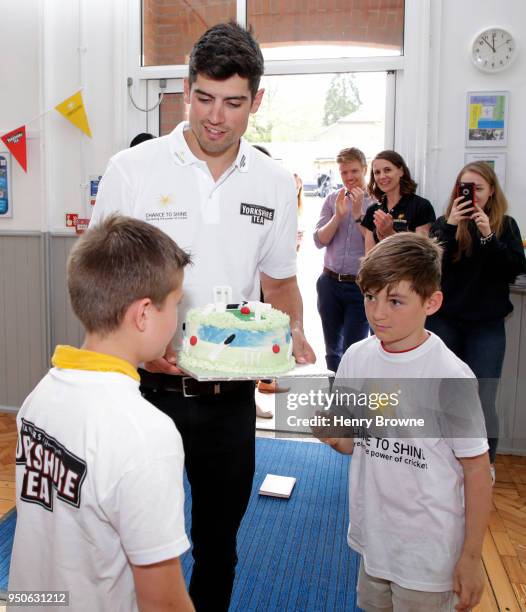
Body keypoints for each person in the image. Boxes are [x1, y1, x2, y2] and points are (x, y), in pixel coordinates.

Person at [90, 22, 315, 611]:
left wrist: (293, 334)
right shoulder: (132, 170)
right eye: (205, 98)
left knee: (219, 544)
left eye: (234, 103)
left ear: (257, 101)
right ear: (186, 90)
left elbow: (281, 282)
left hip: (229, 400)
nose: (216, 117)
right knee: (126, 543)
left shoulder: (272, 182)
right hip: (141, 395)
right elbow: (96, 283)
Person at [9, 215, 194, 611]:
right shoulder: (147, 436)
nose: (176, 320)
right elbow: (163, 602)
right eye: (176, 305)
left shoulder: (40, 395)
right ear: (143, 314)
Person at [315, 232, 492, 612]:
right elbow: (355, 443)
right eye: (370, 297)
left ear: (432, 302)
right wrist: (333, 435)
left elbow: (477, 470)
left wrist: (473, 557)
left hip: (428, 553)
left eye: (396, 301)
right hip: (374, 539)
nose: (378, 313)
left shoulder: (451, 377)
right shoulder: (357, 358)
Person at [428, 161, 526, 482]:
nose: (471, 194)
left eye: (478, 188)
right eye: (464, 188)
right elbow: (430, 263)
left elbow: (511, 268)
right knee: (444, 393)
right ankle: (442, 458)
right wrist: (448, 228)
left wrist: (487, 235)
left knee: (483, 396)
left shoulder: (506, 225)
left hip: (486, 325)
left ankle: (486, 463)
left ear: (491, 191)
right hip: (446, 322)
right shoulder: (445, 223)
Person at [314, 147, 374, 372]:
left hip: (359, 286)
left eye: (354, 171)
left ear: (365, 169)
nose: (349, 177)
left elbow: (376, 247)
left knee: (354, 350)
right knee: (332, 351)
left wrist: (358, 213)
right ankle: (334, 402)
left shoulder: (376, 202)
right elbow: (319, 240)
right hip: (329, 283)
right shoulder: (332, 199)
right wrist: (338, 217)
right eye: (344, 172)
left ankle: (351, 405)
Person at [362, 150, 435, 253]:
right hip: (379, 269)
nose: (382, 176)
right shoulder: (372, 211)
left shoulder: (421, 206)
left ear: (401, 171)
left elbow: (422, 254)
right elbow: (369, 255)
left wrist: (390, 233)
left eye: (387, 170)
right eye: (377, 172)